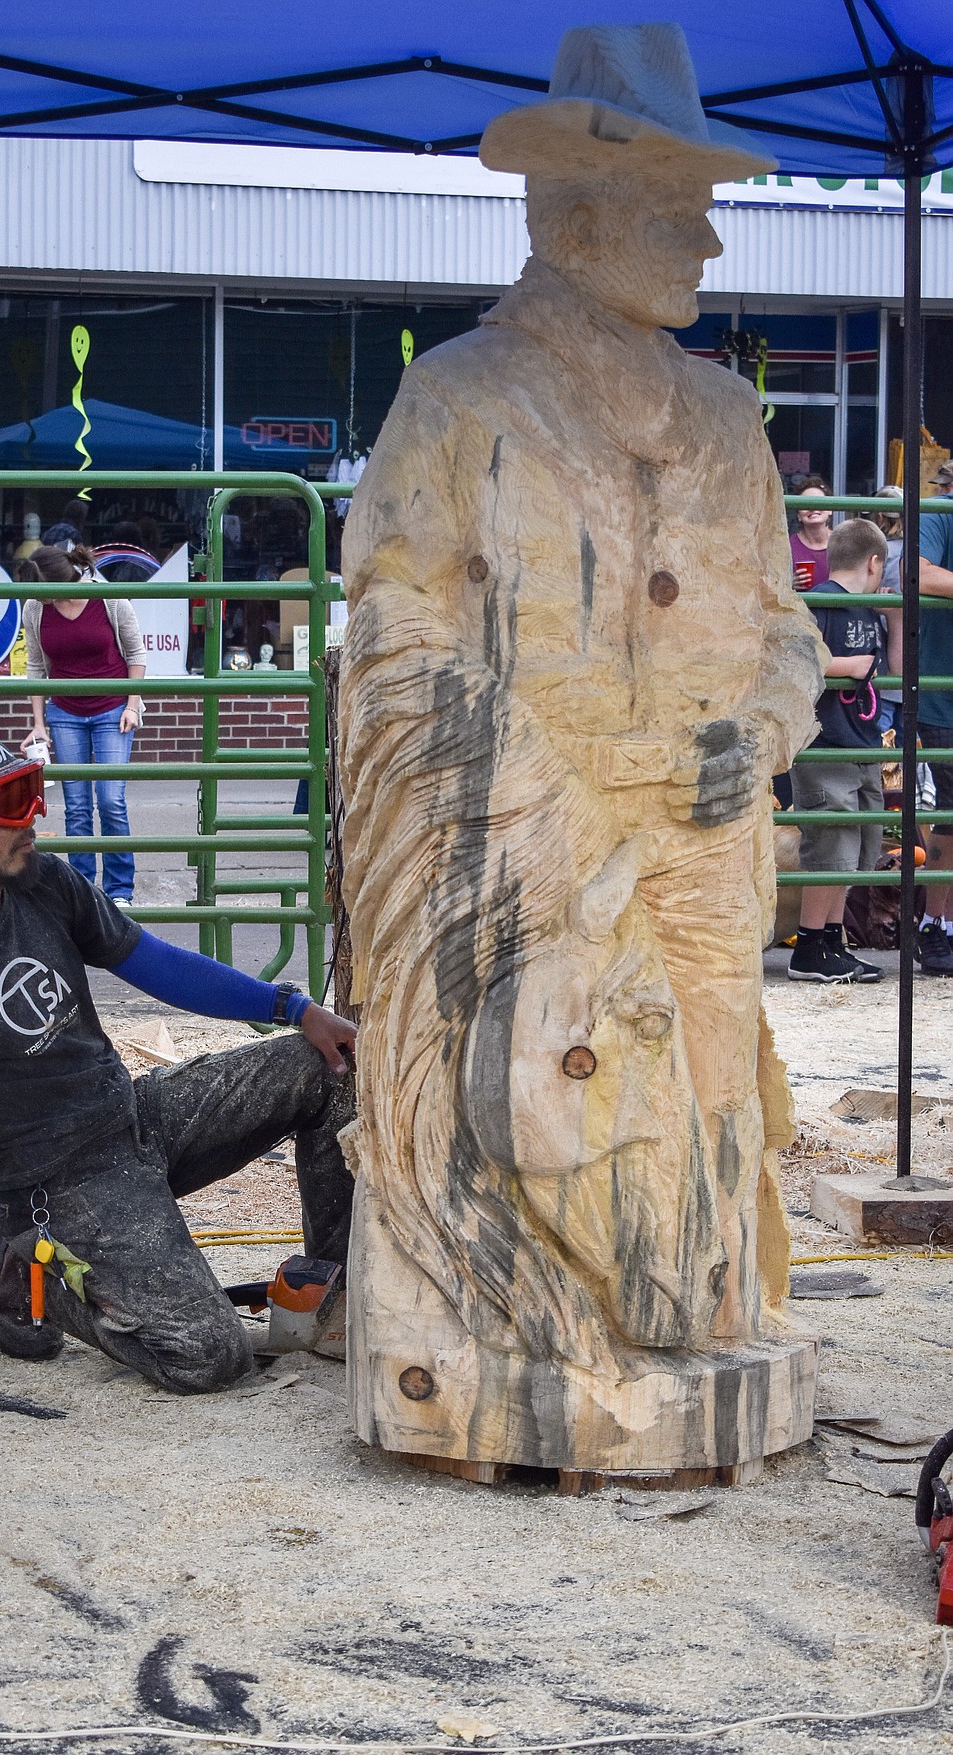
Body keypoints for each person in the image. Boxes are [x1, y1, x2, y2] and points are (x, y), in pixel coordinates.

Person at [340, 21, 825, 1345]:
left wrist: (768, 723)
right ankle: (519, 1326)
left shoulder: (728, 417)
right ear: (573, 209)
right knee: (544, 1090)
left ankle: (698, 1298)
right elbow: (390, 627)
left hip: (709, 837)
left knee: (712, 1086)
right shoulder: (459, 402)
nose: (707, 243)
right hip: (530, 835)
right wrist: (534, 783)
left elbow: (788, 624)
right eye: (679, 209)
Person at [0, 723, 357, 1393]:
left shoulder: (42, 882)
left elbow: (156, 963)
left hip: (134, 1116)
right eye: (8, 803)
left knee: (325, 1067)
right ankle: (28, 1276)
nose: (34, 815)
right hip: (58, 1184)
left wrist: (295, 1009)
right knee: (208, 1354)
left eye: (31, 791)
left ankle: (334, 1293)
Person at [788, 519, 892, 982]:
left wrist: (896, 614)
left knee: (858, 844)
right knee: (830, 842)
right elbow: (802, 657)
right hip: (825, 742)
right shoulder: (822, 601)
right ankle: (809, 945)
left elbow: (894, 672)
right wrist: (848, 665)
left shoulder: (871, 611)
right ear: (874, 563)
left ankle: (831, 939)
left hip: (861, 742)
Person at [16, 544, 145, 907]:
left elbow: (136, 654)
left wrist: (132, 706)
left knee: (111, 801)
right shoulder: (36, 608)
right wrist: (39, 723)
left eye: (46, 591)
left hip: (112, 710)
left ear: (63, 580)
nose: (42, 599)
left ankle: (120, 891)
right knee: (76, 806)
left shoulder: (109, 600)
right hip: (65, 713)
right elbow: (37, 667)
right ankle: (83, 892)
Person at [912, 457, 953, 974]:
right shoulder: (938, 513)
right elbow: (917, 573)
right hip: (944, 695)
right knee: (948, 818)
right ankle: (934, 925)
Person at [869, 485, 904, 741]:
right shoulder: (921, 552)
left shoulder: (878, 554)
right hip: (917, 662)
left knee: (880, 740)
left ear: (878, 517)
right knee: (913, 743)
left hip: (883, 662)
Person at [789, 477, 833, 591]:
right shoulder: (786, 546)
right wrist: (788, 585)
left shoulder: (844, 543)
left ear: (830, 510)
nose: (813, 508)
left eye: (819, 502)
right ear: (798, 515)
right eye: (806, 503)